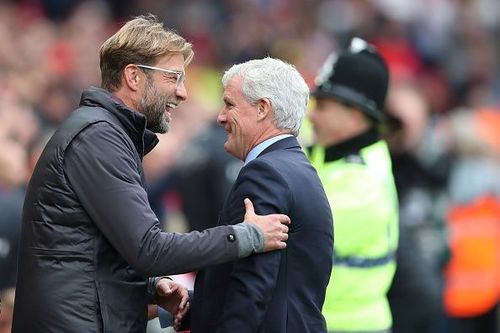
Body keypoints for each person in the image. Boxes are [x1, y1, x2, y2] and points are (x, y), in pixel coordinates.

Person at [12, 15, 291, 333]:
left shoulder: (104, 133)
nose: (183, 93)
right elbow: (149, 249)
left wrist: (150, 286)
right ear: (133, 76)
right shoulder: (98, 137)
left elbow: (93, 251)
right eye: (173, 77)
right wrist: (246, 236)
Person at [181, 57, 334, 333]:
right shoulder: (296, 168)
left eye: (229, 104)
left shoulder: (266, 173)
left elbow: (252, 286)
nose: (220, 117)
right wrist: (195, 308)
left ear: (262, 108)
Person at [307, 38, 399, 333]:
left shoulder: (365, 185)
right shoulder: (330, 150)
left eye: (322, 104)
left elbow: (287, 232)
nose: (312, 113)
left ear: (356, 114)